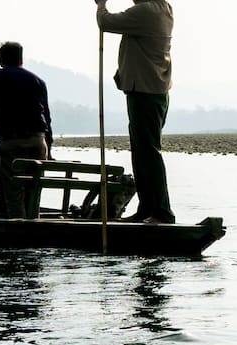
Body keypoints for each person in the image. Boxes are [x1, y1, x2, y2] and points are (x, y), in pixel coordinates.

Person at [97, 0, 174, 224]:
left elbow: (105, 22)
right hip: (149, 90)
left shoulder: (146, 11)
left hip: (145, 91)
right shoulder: (162, 8)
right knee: (141, 152)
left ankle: (162, 212)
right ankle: (147, 208)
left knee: (148, 152)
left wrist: (101, 4)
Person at [0, 42, 53, 163]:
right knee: (32, 177)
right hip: (38, 143)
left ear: (0, 61)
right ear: (21, 59)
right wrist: (49, 149)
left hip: (11, 143)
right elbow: (46, 118)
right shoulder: (39, 81)